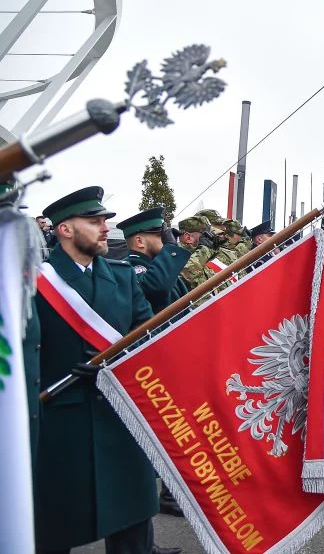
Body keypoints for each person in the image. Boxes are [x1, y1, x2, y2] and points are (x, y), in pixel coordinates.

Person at [35, 186, 178, 554]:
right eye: (93, 221)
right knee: (53, 531)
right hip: (61, 427)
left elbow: (148, 342)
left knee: (132, 532)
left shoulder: (123, 277)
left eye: (104, 221)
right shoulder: (37, 284)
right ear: (65, 229)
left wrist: (119, 363)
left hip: (122, 423)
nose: (103, 228)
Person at [117, 207, 191, 519]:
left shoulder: (157, 266)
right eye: (156, 234)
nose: (163, 238)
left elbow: (180, 295)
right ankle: (150, 500)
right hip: (150, 363)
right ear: (139, 241)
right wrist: (171, 248)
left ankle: (168, 493)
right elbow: (158, 288)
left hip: (172, 356)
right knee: (153, 435)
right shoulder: (132, 268)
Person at [118, 207, 190, 315]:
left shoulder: (160, 266)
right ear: (139, 241)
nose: (166, 239)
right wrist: (170, 248)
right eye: (161, 236)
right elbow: (155, 288)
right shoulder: (129, 268)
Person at [176, 215, 213, 289]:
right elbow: (182, 279)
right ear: (188, 238)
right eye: (205, 234)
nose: (210, 236)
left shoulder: (202, 255)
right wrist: (204, 250)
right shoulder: (175, 256)